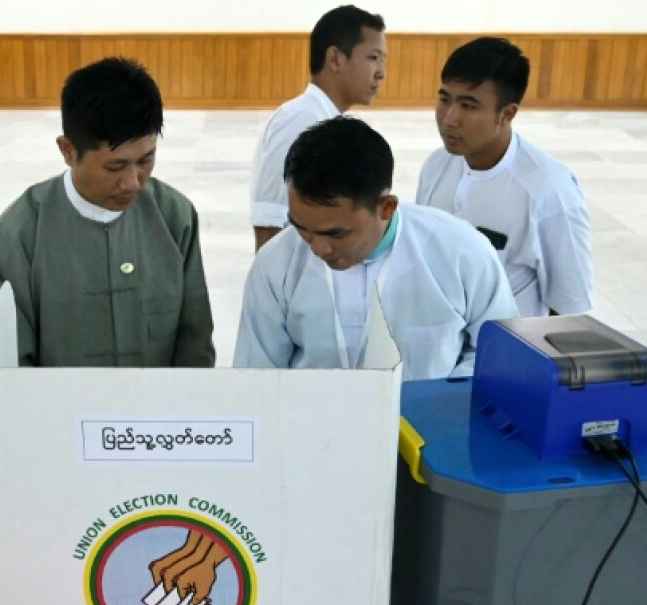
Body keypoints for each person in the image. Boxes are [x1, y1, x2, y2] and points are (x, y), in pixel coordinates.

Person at [234, 117, 518, 380]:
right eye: (301, 227)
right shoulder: (275, 264)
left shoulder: (461, 252)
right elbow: (257, 376)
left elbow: (501, 358)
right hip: (311, 426)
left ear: (386, 207)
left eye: (336, 233)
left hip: (432, 426)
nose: (318, 248)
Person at [0, 57, 215, 367]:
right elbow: (9, 357)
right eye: (115, 166)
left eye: (146, 160)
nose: (133, 183)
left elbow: (194, 343)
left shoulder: (175, 217)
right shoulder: (23, 230)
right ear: (68, 151)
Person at [416, 36, 593, 317]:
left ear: (507, 113)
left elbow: (570, 308)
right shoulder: (437, 166)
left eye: (469, 105)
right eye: (444, 99)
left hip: (507, 351)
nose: (449, 118)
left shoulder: (549, 190)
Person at [249, 5, 386, 251]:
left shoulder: (328, 120)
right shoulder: (301, 120)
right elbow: (270, 221)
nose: (381, 73)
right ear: (335, 59)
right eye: (373, 58)